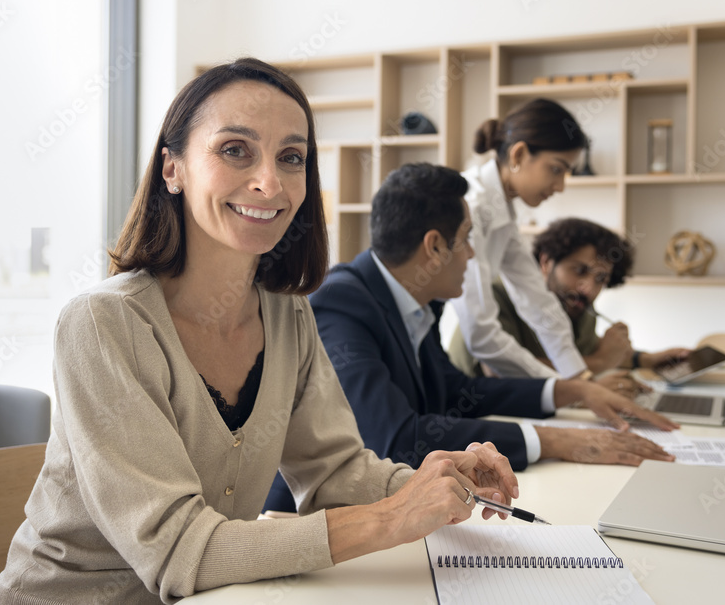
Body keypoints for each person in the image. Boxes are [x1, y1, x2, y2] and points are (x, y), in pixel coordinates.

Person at [0, 59, 519, 604]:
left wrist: (431, 482)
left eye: (291, 158)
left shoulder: (288, 316)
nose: (269, 182)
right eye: (235, 150)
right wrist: (389, 518)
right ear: (172, 169)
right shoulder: (102, 325)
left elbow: (333, 472)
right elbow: (177, 549)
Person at [265, 164, 677, 513]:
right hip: (306, 523)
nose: (472, 256)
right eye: (466, 240)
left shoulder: (415, 298)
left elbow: (454, 391)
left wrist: (569, 392)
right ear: (435, 246)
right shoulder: (343, 303)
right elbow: (394, 438)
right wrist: (552, 440)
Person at [451, 98, 594, 380]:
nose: (561, 186)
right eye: (556, 169)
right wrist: (562, 387)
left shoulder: (502, 211)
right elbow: (481, 332)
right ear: (518, 155)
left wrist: (580, 377)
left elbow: (538, 302)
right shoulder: (473, 207)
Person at [449, 217, 690, 377]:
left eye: (600, 279)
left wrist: (646, 360)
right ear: (546, 262)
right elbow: (500, 371)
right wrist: (600, 362)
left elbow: (586, 351)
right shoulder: (497, 295)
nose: (588, 288)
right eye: (580, 270)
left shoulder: (579, 309)